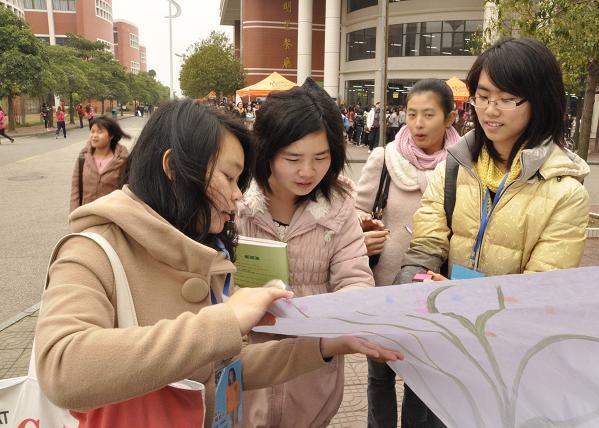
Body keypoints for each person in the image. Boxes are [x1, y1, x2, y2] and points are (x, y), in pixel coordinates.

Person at [36, 100, 402, 427]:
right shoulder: (92, 250)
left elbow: (225, 368)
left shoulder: (204, 249)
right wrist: (224, 320)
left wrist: (325, 344)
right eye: (228, 177)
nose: (237, 195)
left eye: (239, 180)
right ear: (173, 168)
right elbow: (63, 368)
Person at [393, 37, 590, 427]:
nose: (490, 110)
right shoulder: (454, 166)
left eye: (506, 99)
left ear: (540, 100)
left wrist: (461, 298)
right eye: (482, 97)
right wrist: (410, 288)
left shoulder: (565, 192)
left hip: (504, 359)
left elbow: (540, 290)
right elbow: (426, 244)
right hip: (442, 346)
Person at [236, 79, 378, 427]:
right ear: (267, 151)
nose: (307, 171)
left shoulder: (339, 208)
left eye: (321, 158)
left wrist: (354, 311)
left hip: (312, 368)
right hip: (247, 365)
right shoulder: (235, 204)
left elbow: (355, 278)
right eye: (293, 158)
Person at [355, 78, 460, 428]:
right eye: (412, 114)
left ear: (450, 118)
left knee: (423, 382)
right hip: (382, 291)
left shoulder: (462, 166)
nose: (417, 123)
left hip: (433, 295)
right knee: (379, 378)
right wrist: (363, 230)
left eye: (428, 115)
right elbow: (354, 211)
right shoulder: (385, 159)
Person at [69, 116, 131, 212]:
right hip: (86, 214)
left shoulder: (122, 160)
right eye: (92, 131)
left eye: (99, 132)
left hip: (111, 216)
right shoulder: (83, 158)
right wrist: (73, 214)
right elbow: (75, 190)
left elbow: (127, 193)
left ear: (111, 136)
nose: (94, 135)